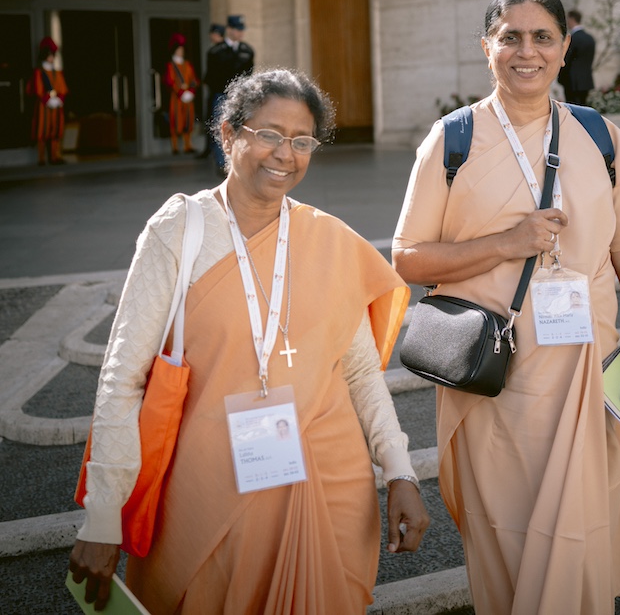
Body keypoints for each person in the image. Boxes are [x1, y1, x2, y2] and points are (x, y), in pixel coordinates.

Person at [69, 68, 429, 614]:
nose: (285, 154)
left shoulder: (328, 239)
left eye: (301, 140)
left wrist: (399, 470)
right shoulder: (181, 230)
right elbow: (124, 376)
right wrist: (102, 515)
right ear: (230, 134)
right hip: (211, 483)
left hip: (329, 481)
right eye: (268, 134)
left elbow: (358, 371)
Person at [393, 0, 620, 615]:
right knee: (511, 542)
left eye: (542, 36)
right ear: (486, 48)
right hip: (495, 380)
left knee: (577, 542)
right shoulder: (453, 139)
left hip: (585, 374)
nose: (527, 51)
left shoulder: (598, 136)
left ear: (565, 47)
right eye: (509, 37)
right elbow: (407, 259)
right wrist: (507, 242)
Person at [208, 15, 256, 173]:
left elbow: (248, 75)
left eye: (241, 30)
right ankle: (222, 164)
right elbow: (211, 76)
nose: (240, 33)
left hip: (240, 96)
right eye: (236, 29)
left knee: (242, 128)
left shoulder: (247, 51)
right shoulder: (216, 51)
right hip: (221, 94)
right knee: (221, 127)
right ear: (229, 29)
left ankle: (240, 161)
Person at [27, 36, 69, 165]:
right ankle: (41, 158)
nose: (51, 58)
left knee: (55, 130)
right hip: (44, 106)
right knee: (42, 130)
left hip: (56, 105)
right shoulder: (39, 72)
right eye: (49, 55)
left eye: (53, 55)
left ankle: (55, 156)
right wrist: (47, 99)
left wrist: (59, 99)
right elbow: (37, 89)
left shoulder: (57, 72)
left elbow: (63, 88)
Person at [164, 33, 199, 155]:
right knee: (176, 120)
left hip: (188, 97)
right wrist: (180, 92)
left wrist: (191, 92)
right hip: (177, 98)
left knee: (188, 120)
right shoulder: (170, 66)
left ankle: (187, 145)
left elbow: (194, 80)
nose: (181, 52)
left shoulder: (188, 65)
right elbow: (169, 81)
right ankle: (174, 146)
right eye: (179, 50)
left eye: (182, 50)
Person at [196, 23, 226, 159]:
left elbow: (211, 75)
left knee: (215, 122)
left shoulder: (215, 52)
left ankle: (215, 153)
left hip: (218, 92)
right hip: (225, 91)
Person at [557, 9, 595, 106]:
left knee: (573, 110)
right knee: (583, 108)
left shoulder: (572, 39)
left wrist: (560, 77)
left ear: (571, 19)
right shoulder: (590, 38)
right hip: (586, 80)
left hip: (571, 81)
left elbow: (566, 59)